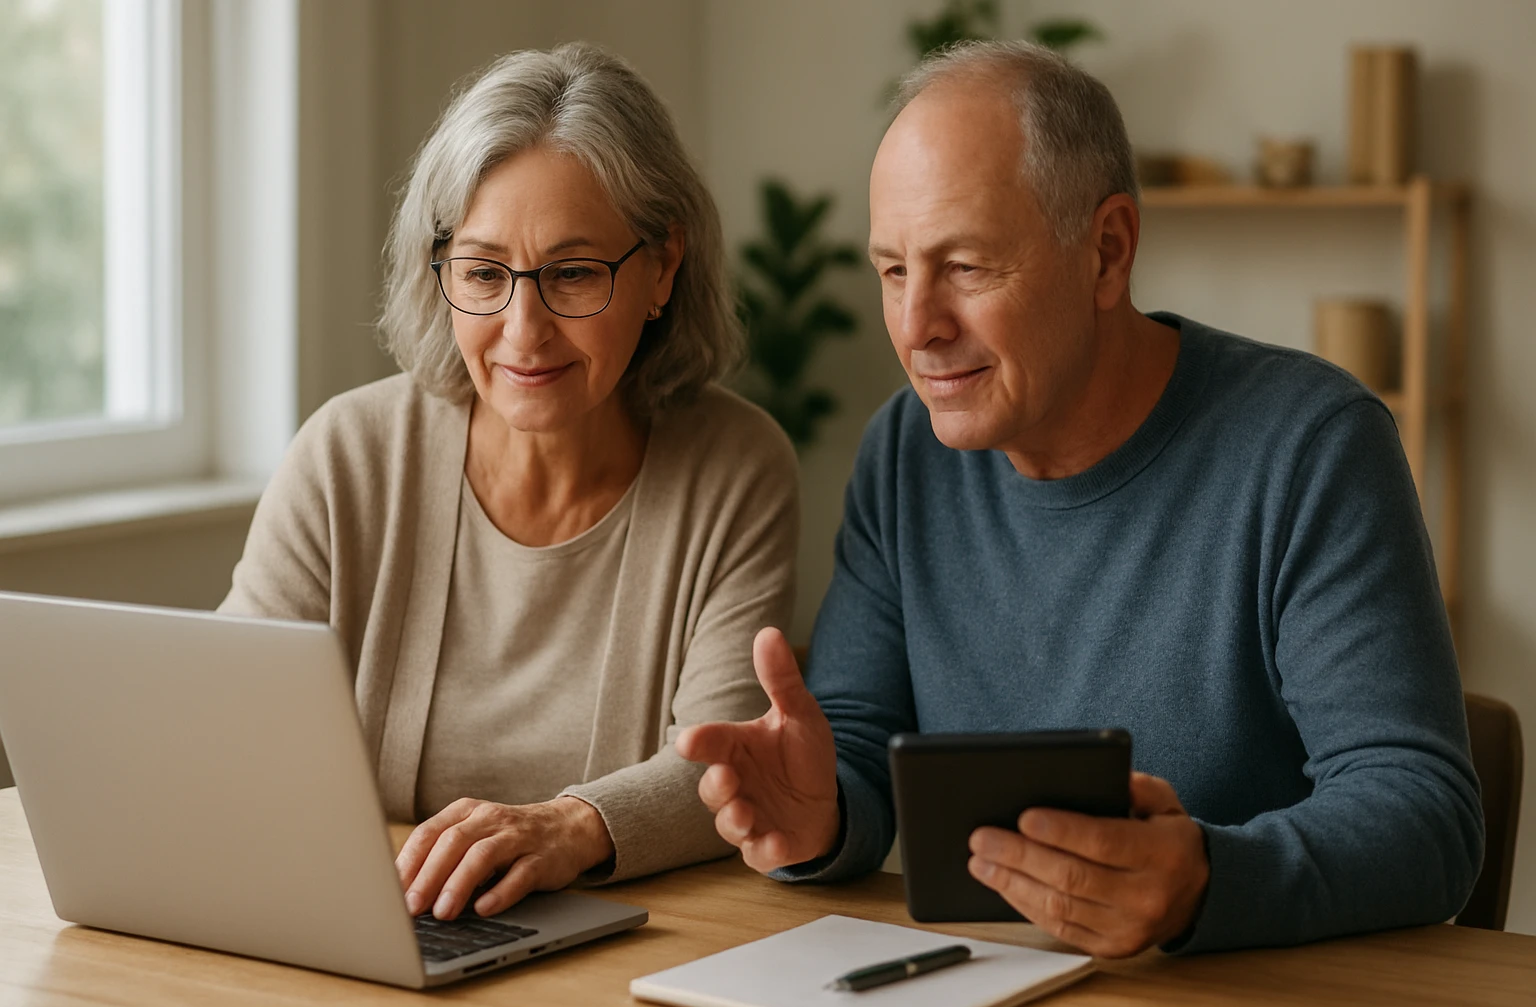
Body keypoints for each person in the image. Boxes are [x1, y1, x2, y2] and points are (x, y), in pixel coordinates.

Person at [678, 40, 1483, 957]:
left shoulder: (1311, 445)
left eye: (968, 267)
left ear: (1107, 252)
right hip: (987, 989)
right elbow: (858, 754)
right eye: (894, 270)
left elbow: (1427, 817)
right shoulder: (904, 452)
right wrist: (818, 815)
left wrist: (1206, 882)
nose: (916, 328)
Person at [221, 43, 796, 923]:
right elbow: (225, 723)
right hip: (371, 928)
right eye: (485, 274)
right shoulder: (349, 453)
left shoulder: (736, 468)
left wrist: (572, 826)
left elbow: (724, 765)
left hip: (626, 961)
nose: (523, 332)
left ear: (663, 266)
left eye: (572, 275)